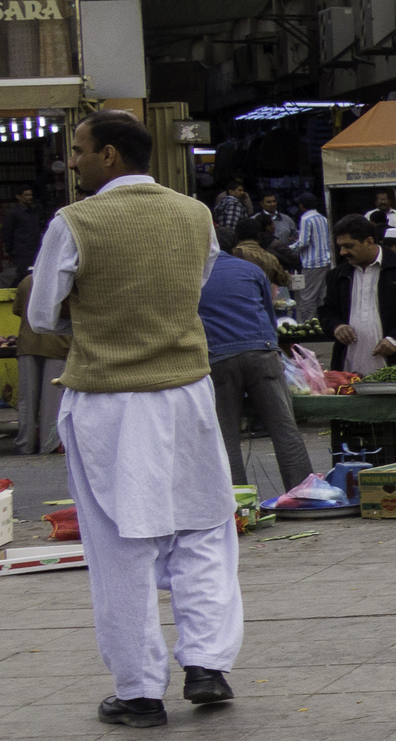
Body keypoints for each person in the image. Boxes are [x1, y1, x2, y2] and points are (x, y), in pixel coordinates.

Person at [28, 109, 239, 725]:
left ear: (109, 156)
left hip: (108, 399)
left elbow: (42, 314)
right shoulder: (194, 214)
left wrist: (91, 320)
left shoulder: (74, 222)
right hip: (186, 391)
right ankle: (206, 663)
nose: (72, 160)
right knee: (203, 529)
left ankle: (140, 692)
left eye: (78, 149)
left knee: (122, 546)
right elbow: (193, 283)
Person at [201, 253, 312, 492]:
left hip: (217, 358)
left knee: (226, 436)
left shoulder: (191, 273)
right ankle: (305, 495)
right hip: (262, 352)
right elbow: (270, 318)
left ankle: (238, 508)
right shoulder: (250, 269)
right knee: (285, 429)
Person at [316, 214, 396, 375]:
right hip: (349, 370)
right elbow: (326, 311)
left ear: (370, 242)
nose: (343, 252)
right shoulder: (338, 275)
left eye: (349, 246)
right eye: (340, 247)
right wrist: (336, 326)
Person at [10, 271, 67, 454]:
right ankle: (48, 445)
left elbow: (17, 309)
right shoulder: (65, 281)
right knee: (52, 400)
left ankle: (24, 444)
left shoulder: (26, 281)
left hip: (28, 344)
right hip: (57, 345)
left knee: (27, 399)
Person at [290, 193, 333, 323]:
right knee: (322, 296)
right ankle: (323, 323)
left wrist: (289, 248)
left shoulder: (305, 219)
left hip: (312, 263)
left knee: (307, 297)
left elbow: (303, 242)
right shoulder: (323, 218)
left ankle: (305, 324)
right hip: (325, 261)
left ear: (302, 205)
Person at [232, 217, 290, 289]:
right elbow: (284, 280)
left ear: (236, 234)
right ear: (259, 234)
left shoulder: (231, 254)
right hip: (260, 298)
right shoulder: (270, 258)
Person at [3, 184, 43, 286]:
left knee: (36, 273)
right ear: (18, 196)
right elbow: (7, 233)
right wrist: (11, 250)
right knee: (23, 275)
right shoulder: (13, 213)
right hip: (21, 250)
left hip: (35, 248)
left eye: (30, 195)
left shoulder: (33, 212)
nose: (30, 197)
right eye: (26, 195)